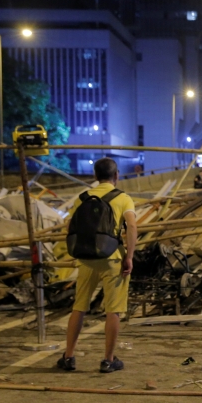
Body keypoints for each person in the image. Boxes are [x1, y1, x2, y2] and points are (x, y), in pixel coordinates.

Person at [58, 158, 138, 374]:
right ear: (117, 175)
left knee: (80, 306)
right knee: (113, 310)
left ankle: (69, 356)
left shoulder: (82, 199)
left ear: (95, 176)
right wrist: (129, 256)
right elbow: (131, 226)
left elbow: (69, 228)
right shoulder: (123, 198)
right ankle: (108, 360)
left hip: (86, 259)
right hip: (113, 259)